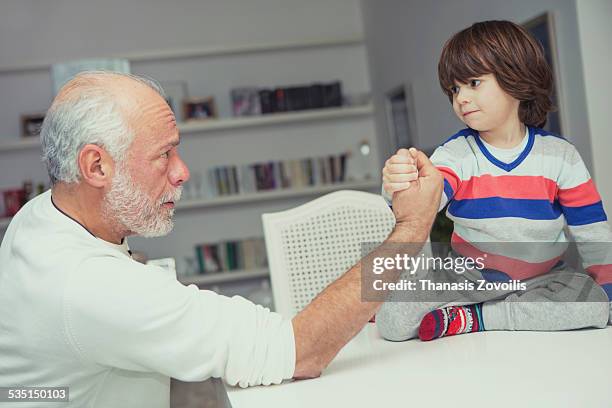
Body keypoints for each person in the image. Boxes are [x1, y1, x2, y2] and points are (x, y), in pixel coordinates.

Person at [0, 71, 442, 408]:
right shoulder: (93, 286)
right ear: (96, 167)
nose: (182, 171)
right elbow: (300, 351)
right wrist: (410, 230)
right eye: (164, 154)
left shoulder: (39, 216)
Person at [379, 20, 612, 342]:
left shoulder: (561, 156)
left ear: (517, 79)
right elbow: (424, 200)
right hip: (466, 276)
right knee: (392, 321)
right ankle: (493, 312)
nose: (460, 98)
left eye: (474, 83)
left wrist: (607, 292)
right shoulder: (456, 154)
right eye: (454, 89)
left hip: (543, 279)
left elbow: (592, 232)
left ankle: (477, 318)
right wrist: (398, 184)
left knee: (594, 307)